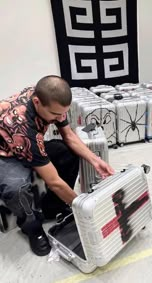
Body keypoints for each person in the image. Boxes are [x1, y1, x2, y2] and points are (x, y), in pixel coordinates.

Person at [0, 75, 114, 256]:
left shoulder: (48, 96)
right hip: (5, 154)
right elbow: (53, 181)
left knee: (67, 153)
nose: (61, 117)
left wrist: (96, 160)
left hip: (26, 142)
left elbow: (68, 136)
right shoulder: (23, 129)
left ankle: (53, 208)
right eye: (55, 115)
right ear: (37, 102)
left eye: (63, 113)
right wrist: (85, 210)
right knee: (17, 189)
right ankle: (32, 227)